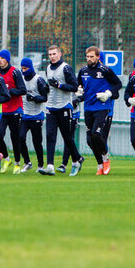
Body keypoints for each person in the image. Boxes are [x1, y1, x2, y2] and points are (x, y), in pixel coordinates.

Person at [74, 47, 122, 176]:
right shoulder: (83, 71)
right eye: (87, 56)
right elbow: (80, 88)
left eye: (92, 56)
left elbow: (118, 84)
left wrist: (108, 93)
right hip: (88, 108)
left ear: (97, 57)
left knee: (96, 134)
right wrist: (78, 94)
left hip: (102, 107)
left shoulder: (105, 70)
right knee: (90, 140)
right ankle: (100, 164)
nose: (89, 59)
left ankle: (106, 157)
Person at [42, 45, 85, 176]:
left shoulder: (65, 68)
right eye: (50, 54)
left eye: (54, 54)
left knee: (67, 137)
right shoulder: (48, 68)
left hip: (64, 107)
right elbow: (50, 87)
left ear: (60, 54)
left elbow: (74, 87)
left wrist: (60, 85)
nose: (52, 57)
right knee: (50, 136)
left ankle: (77, 159)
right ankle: (49, 165)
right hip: (51, 107)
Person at [0, 49, 26, 174]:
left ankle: (18, 163)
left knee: (15, 137)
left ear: (7, 60)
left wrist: (10, 91)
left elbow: (23, 90)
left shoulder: (15, 72)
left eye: (3, 58)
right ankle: (7, 159)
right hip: (1, 110)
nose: (0, 60)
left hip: (15, 109)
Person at [19, 57, 48, 174]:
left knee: (37, 142)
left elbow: (45, 97)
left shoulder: (39, 80)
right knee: (20, 137)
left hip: (36, 116)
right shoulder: (21, 80)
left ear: (30, 68)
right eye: (22, 68)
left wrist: (35, 98)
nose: (23, 70)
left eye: (25, 68)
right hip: (25, 115)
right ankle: (27, 162)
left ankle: (40, 164)